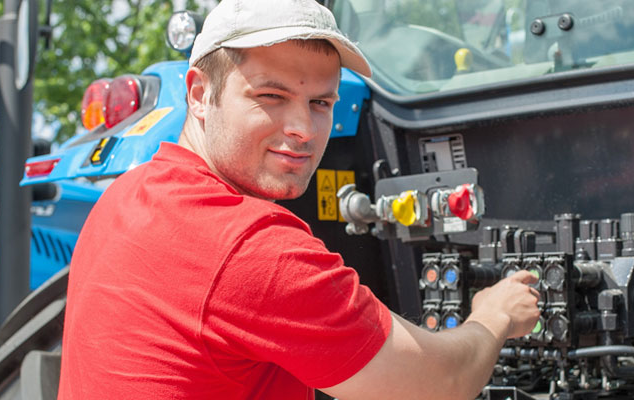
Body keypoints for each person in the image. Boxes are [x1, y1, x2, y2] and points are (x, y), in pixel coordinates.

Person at [56, 0, 541, 399]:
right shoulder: (252, 248)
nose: (303, 130)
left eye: (320, 103)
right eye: (271, 96)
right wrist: (493, 316)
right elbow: (442, 382)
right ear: (200, 94)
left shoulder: (122, 199)